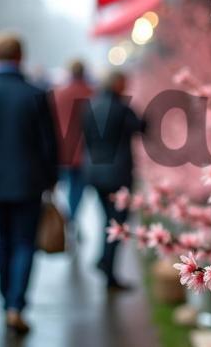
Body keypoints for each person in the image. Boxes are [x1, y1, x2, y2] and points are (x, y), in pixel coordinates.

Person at [0, 34, 58, 334]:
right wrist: (51, 179)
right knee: (23, 243)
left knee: (3, 241)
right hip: (29, 183)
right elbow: (49, 144)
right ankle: (15, 305)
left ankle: (6, 300)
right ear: (20, 56)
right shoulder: (35, 94)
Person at [82, 71, 145, 290]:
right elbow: (140, 128)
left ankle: (104, 261)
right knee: (118, 224)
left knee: (108, 221)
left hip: (94, 171)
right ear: (117, 84)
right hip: (117, 174)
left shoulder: (90, 105)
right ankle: (108, 269)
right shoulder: (121, 108)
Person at [51, 60, 93, 225]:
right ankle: (72, 218)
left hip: (61, 149)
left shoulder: (58, 94)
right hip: (83, 150)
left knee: (62, 185)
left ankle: (65, 218)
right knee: (77, 188)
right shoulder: (91, 92)